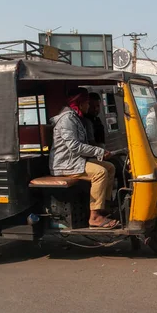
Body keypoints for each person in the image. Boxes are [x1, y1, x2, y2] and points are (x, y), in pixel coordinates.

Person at [49, 87, 119, 230]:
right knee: (100, 172)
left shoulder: (76, 118)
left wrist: (99, 152)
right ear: (80, 103)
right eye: (87, 103)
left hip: (75, 160)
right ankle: (94, 217)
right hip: (65, 164)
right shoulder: (67, 119)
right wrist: (98, 151)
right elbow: (74, 146)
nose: (89, 106)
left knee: (110, 167)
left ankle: (102, 208)